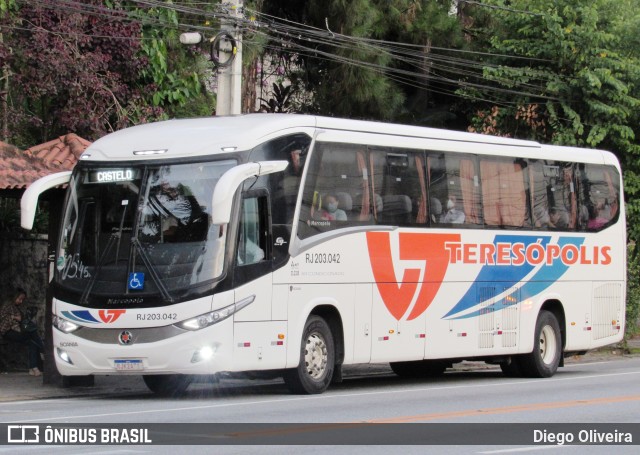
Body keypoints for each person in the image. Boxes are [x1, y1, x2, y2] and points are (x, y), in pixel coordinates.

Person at [0, 288, 44, 376]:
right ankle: (44, 349)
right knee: (32, 333)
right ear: (15, 297)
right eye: (19, 299)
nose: (20, 301)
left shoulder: (17, 307)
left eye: (22, 300)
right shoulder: (7, 306)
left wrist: (21, 319)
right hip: (8, 331)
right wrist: (15, 318)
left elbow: (22, 319)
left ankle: (33, 368)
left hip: (17, 331)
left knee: (33, 343)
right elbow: (3, 318)